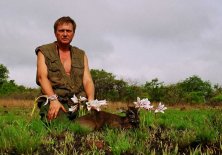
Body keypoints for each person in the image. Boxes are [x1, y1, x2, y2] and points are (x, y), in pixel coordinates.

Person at [35, 16, 95, 122]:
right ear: (55, 33)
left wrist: (91, 100)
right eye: (61, 31)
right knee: (58, 124)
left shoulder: (81, 54)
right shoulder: (44, 51)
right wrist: (53, 100)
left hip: (78, 100)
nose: (65, 34)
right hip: (55, 98)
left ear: (73, 33)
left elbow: (87, 80)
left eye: (69, 31)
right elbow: (41, 77)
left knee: (94, 122)